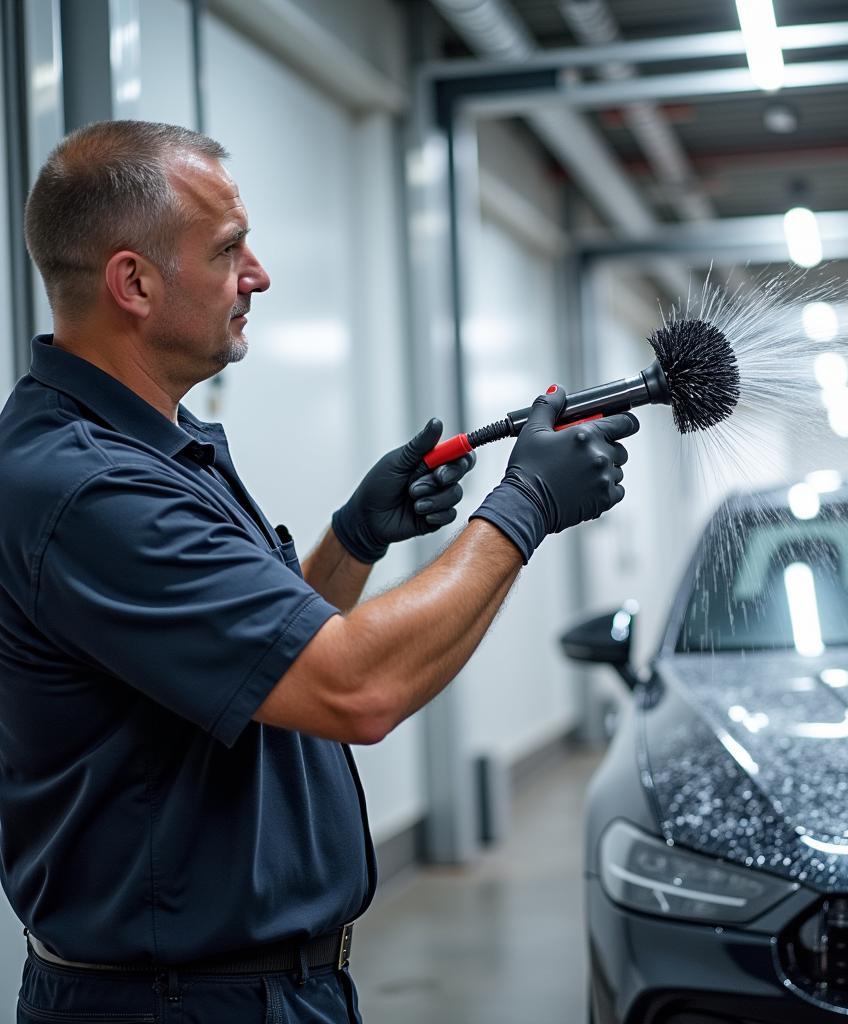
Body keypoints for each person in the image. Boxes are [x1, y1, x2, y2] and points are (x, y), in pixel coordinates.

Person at [0, 120, 638, 1023]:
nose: (257, 275)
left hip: (248, 988)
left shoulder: (150, 452)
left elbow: (263, 661)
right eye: (229, 252)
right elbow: (355, 690)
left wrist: (354, 538)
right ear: (133, 283)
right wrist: (525, 505)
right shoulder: (91, 491)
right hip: (176, 1004)